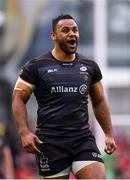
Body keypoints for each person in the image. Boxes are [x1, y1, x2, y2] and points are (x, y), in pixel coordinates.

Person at [12, 14, 117, 179]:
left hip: (82, 138)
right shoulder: (36, 66)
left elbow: (99, 102)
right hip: (50, 142)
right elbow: (18, 98)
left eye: (75, 30)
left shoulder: (89, 67)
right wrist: (24, 132)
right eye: (65, 30)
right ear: (53, 36)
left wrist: (108, 134)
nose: (72, 34)